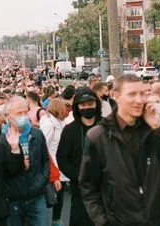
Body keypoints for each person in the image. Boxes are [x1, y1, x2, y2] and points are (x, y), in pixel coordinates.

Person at [79, 74, 160, 226]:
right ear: (115, 95)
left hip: (156, 220)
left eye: (142, 94)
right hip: (119, 221)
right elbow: (88, 187)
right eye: (132, 94)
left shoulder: (153, 129)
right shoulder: (99, 136)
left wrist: (157, 128)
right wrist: (103, 222)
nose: (139, 100)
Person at [56, 87, 102, 226]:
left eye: (90, 104)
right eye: (83, 105)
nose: (87, 108)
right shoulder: (70, 130)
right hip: (80, 188)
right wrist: (79, 176)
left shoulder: (108, 126)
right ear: (77, 107)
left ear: (96, 105)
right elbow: (62, 158)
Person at [1, 96, 49, 226]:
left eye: (25, 112)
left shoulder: (37, 134)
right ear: (8, 115)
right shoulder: (1, 140)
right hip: (13, 199)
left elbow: (45, 161)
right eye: (18, 113)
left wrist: (40, 183)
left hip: (37, 196)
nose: (23, 116)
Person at [39, 98, 69, 226]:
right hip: (52, 162)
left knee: (58, 193)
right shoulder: (50, 124)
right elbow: (44, 144)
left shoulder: (58, 123)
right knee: (54, 194)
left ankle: (56, 219)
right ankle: (54, 219)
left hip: (58, 162)